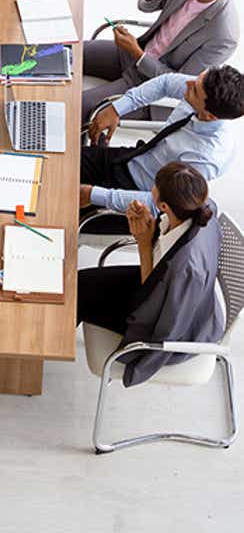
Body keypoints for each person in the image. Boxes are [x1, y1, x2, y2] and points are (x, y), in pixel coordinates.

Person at [77, 162, 225, 387]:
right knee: (79, 284)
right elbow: (155, 286)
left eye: (152, 190)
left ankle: (32, 352)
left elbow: (152, 309)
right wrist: (148, 236)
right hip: (169, 298)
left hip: (168, 331)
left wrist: (145, 245)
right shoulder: (200, 208)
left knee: (77, 296)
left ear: (164, 205)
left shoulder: (184, 267)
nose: (149, 192)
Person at [82, 0, 243, 123]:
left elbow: (179, 85)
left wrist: (138, 54)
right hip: (132, 54)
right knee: (68, 51)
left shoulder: (224, 35)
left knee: (78, 106)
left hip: (151, 88)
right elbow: (144, 6)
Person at [79, 66, 244, 215]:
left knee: (59, 204)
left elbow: (160, 203)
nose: (187, 84)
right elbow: (166, 82)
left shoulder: (205, 159)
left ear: (210, 116)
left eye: (194, 90)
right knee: (62, 159)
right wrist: (117, 108)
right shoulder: (202, 88)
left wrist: (96, 196)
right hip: (133, 158)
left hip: (137, 195)